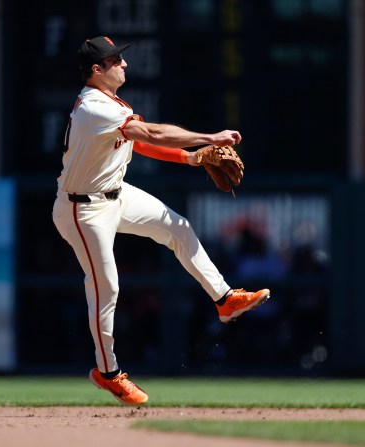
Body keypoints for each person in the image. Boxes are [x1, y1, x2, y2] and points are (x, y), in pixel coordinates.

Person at [52, 36, 270, 406]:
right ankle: (108, 373)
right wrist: (209, 137)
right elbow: (150, 132)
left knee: (177, 226)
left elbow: (139, 142)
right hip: (81, 210)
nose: (123, 64)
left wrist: (190, 159)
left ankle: (225, 299)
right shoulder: (94, 107)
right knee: (107, 287)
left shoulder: (112, 104)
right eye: (115, 60)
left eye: (121, 58)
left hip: (114, 194)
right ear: (96, 69)